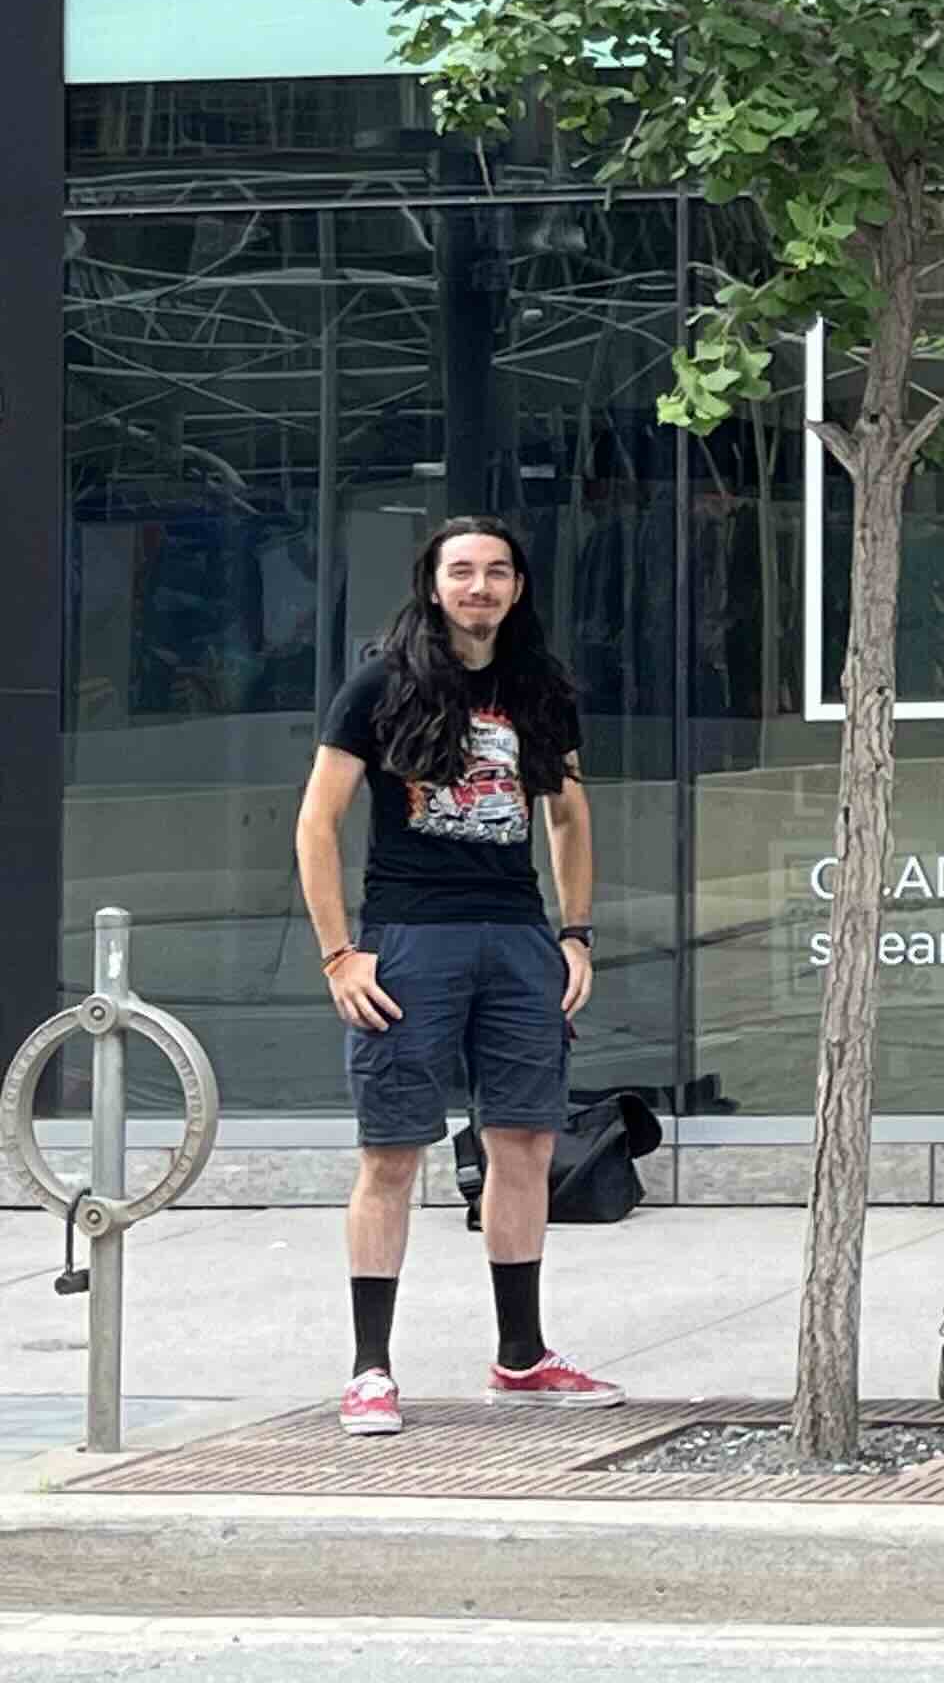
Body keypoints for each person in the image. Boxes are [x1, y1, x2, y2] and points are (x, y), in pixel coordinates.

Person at [295, 515, 621, 1436]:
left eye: (497, 572)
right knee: (391, 1154)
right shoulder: (378, 685)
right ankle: (369, 1372)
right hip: (407, 943)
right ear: (432, 585)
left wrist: (576, 934)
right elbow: (316, 823)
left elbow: (568, 819)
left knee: (524, 1147)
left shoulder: (539, 690)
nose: (480, 587)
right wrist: (338, 953)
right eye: (462, 572)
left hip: (518, 941)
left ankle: (521, 1357)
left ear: (519, 587)